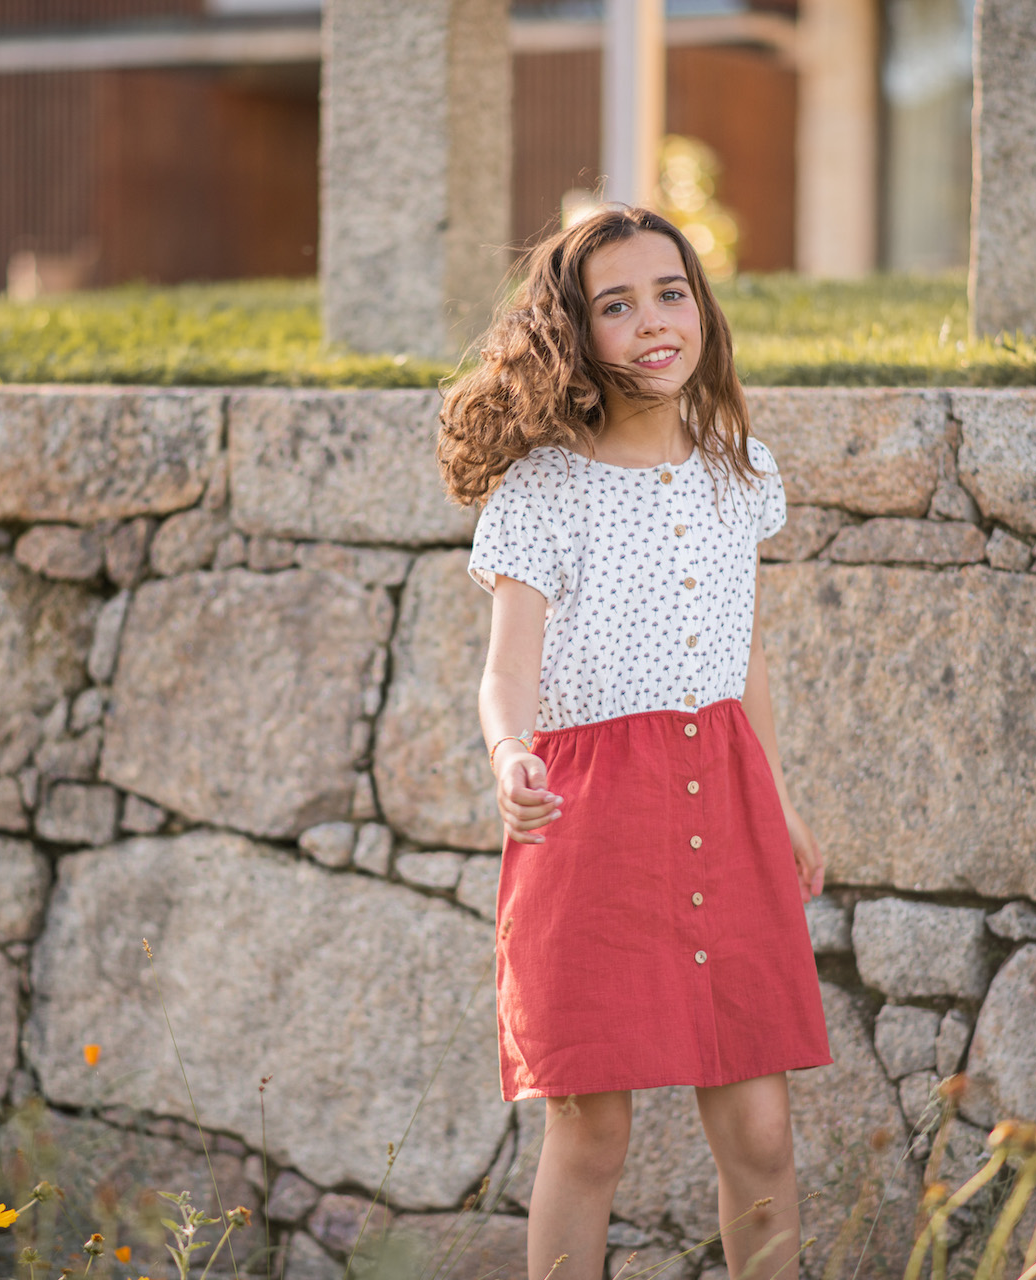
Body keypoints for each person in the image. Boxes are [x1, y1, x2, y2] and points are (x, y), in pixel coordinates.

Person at [438, 206, 833, 1280]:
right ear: (576, 331)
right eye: (617, 304)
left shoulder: (738, 470)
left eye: (672, 292)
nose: (654, 320)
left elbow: (738, 655)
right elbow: (506, 668)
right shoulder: (545, 488)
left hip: (729, 793)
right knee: (593, 1131)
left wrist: (780, 796)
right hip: (591, 815)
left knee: (761, 1129)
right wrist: (510, 753)